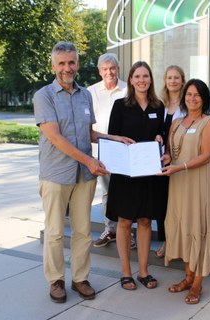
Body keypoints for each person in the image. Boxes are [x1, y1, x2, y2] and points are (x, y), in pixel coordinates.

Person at [33, 41, 134, 303]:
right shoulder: (43, 96)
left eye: (71, 62)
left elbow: (88, 133)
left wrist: (113, 138)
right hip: (56, 174)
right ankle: (56, 280)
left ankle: (80, 278)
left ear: (77, 64)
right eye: (62, 63)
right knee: (55, 231)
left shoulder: (85, 95)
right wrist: (89, 161)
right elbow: (55, 137)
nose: (67, 68)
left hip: (84, 177)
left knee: (82, 231)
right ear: (54, 65)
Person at [106, 61, 166, 290]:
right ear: (130, 80)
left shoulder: (157, 106)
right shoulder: (120, 105)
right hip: (126, 173)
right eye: (137, 76)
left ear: (150, 79)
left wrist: (161, 137)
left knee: (144, 221)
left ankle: (143, 271)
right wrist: (119, 140)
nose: (142, 80)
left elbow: (161, 133)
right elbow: (112, 137)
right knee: (124, 221)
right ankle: (125, 272)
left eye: (146, 76)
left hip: (148, 172)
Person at [159, 79, 210, 304]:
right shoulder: (176, 123)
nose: (192, 98)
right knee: (183, 226)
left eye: (197, 95)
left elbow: (207, 155)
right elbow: (172, 152)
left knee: (198, 227)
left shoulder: (209, 122)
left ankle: (197, 284)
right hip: (178, 182)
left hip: (198, 183)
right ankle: (187, 276)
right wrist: (166, 158)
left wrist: (180, 166)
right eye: (188, 94)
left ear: (204, 99)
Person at [87, 53, 136, 250]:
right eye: (105, 69)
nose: (109, 72)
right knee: (107, 192)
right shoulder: (90, 92)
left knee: (127, 191)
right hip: (101, 150)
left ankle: (128, 232)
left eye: (112, 68)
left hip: (124, 149)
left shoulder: (128, 89)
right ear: (99, 71)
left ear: (118, 69)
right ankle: (111, 229)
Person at [154, 65, 186, 258]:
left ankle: (180, 241)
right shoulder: (159, 105)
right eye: (169, 78)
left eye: (176, 78)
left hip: (182, 159)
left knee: (180, 202)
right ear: (165, 81)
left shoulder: (189, 104)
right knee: (163, 203)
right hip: (162, 160)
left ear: (182, 80)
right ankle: (166, 241)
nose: (173, 81)